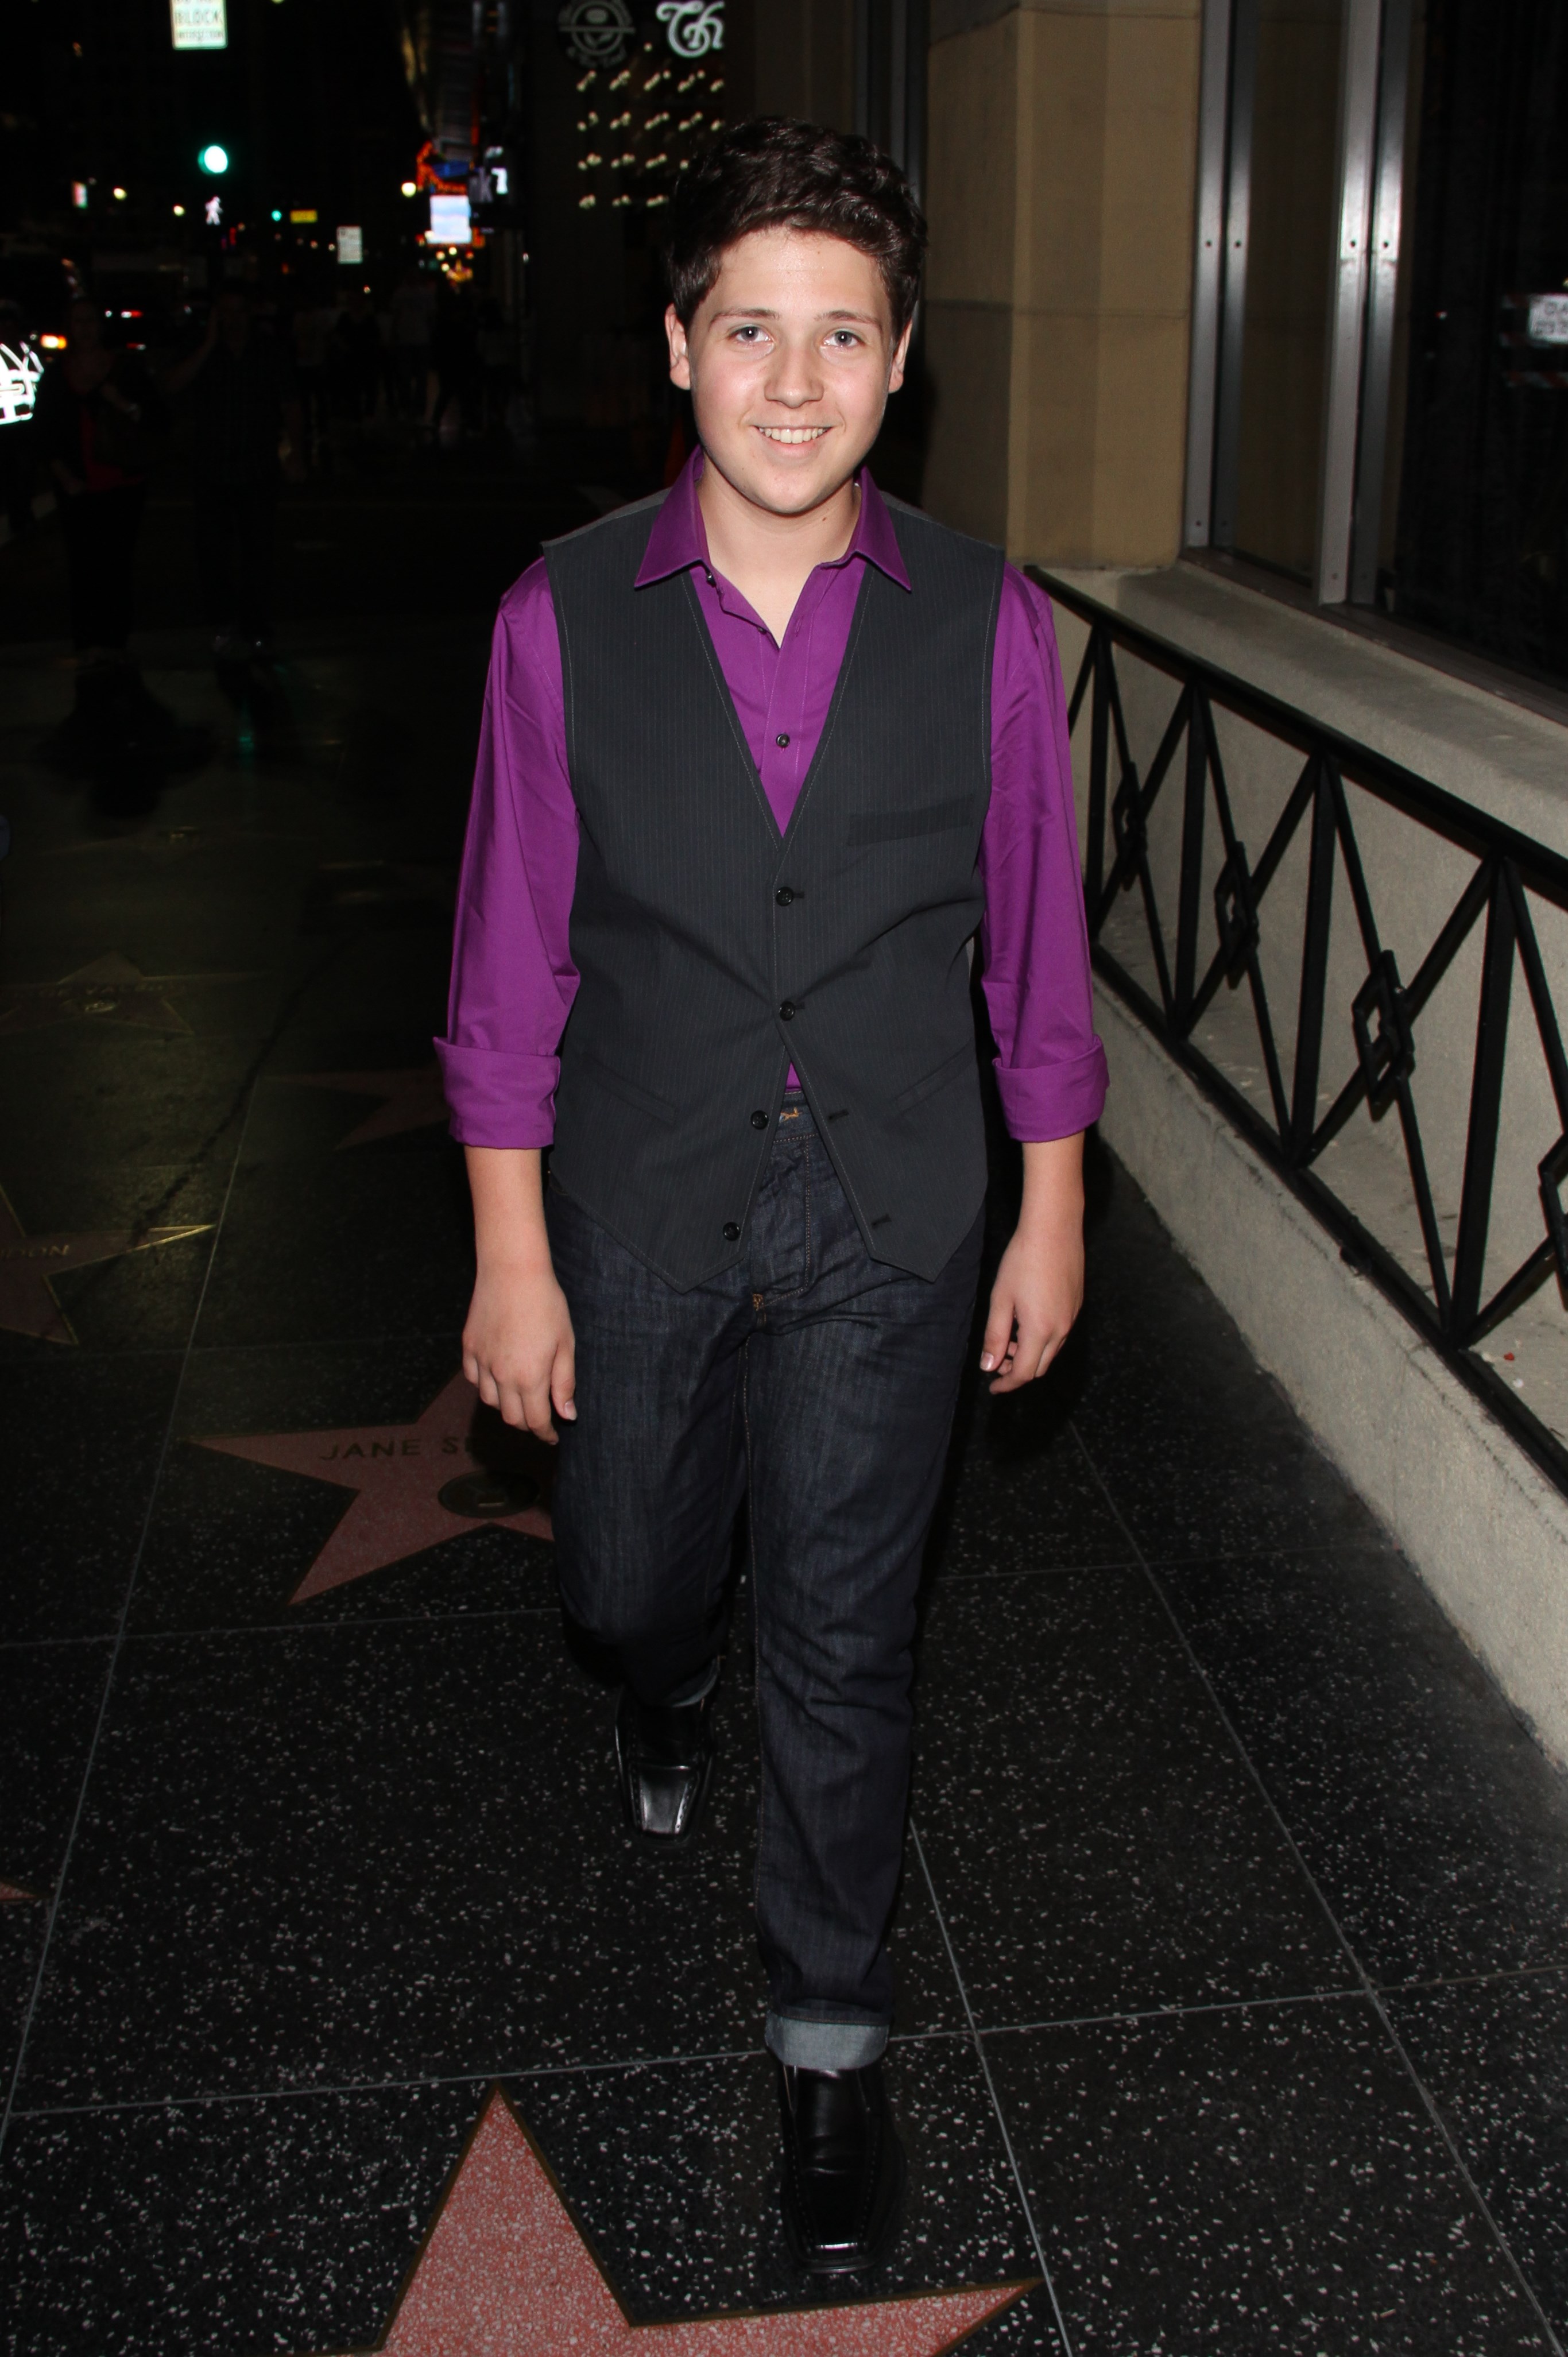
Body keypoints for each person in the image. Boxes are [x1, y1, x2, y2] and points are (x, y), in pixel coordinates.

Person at [438, 119, 1107, 2275]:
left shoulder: (991, 625)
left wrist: (1054, 1206)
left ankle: (829, 2040)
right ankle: (657, 1682)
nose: (794, 381)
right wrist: (512, 1255)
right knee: (630, 1579)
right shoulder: (559, 620)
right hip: (639, 1180)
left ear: (901, 364)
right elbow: (506, 961)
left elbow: (1035, 944)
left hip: (897, 1206)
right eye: (750, 329)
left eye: (842, 335)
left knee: (844, 1627)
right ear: (678, 347)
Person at [164, 284, 304, 660]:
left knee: (257, 551)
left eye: (240, 311)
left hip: (257, 466)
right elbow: (172, 384)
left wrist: (295, 452)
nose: (233, 320)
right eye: (225, 312)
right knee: (213, 552)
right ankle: (223, 622)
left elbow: (290, 401)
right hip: (212, 467)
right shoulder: (204, 349)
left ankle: (256, 624)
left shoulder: (267, 351)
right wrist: (208, 344)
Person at [33, 295, 157, 658]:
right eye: (78, 322)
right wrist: (65, 477)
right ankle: (89, 642)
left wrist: (123, 404)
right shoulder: (58, 375)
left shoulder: (125, 368)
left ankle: (116, 640)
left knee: (117, 564)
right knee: (84, 567)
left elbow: (155, 417)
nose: (85, 329)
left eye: (90, 321)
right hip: (80, 486)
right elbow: (45, 433)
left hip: (123, 484)